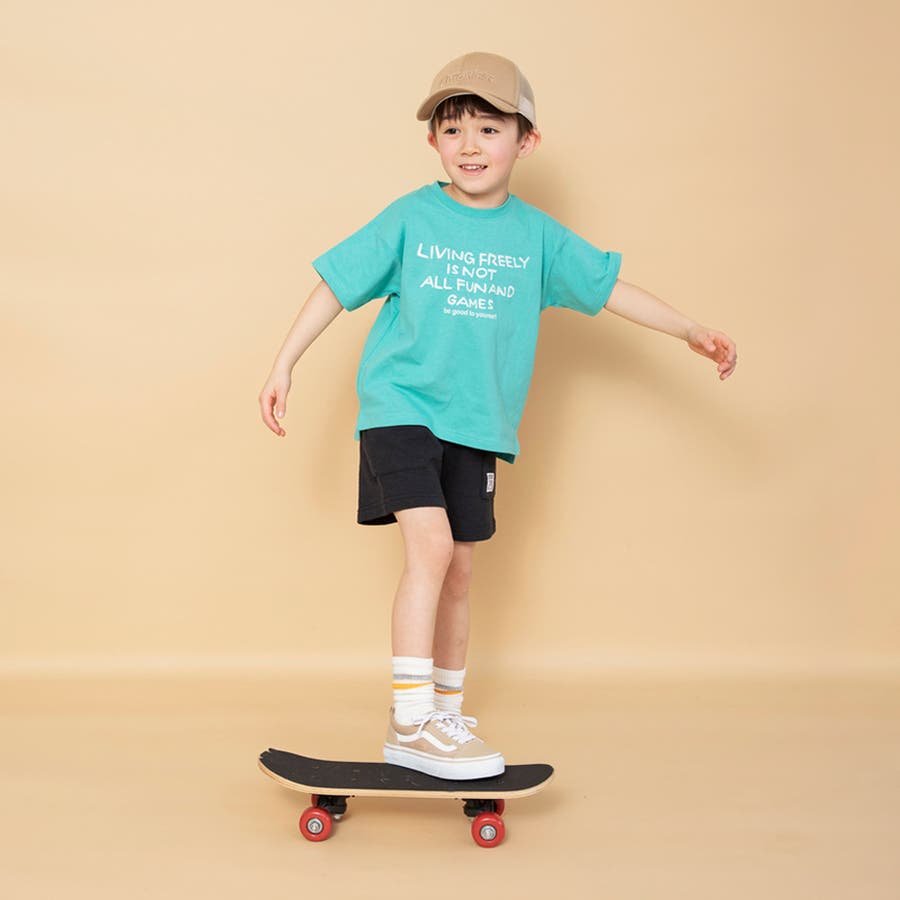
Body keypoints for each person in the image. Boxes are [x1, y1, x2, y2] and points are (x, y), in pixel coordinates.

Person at [258, 52, 738, 780]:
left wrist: (690, 330)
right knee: (430, 549)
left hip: (477, 424)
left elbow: (610, 288)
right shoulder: (412, 216)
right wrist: (284, 363)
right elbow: (337, 282)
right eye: (453, 130)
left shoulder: (537, 237)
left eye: (489, 128)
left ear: (526, 141)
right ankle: (411, 722)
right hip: (400, 406)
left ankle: (445, 715)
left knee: (460, 570)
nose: (470, 145)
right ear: (433, 142)